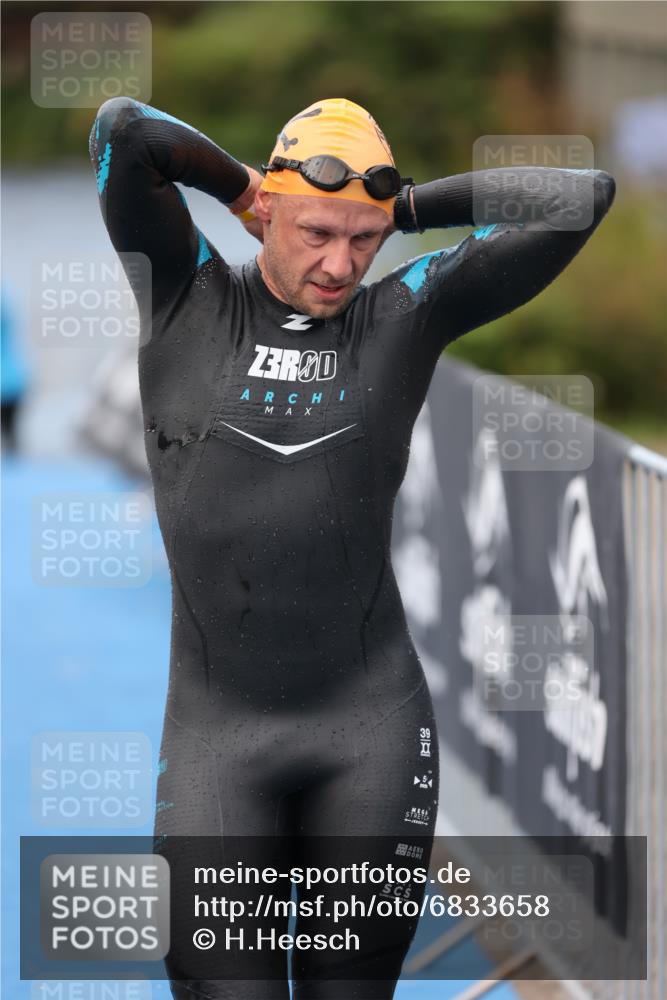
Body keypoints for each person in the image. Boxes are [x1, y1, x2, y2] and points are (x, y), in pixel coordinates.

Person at [89, 96, 616, 999]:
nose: (339, 264)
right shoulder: (182, 295)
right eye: (316, 231)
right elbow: (122, 131)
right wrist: (239, 183)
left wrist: (405, 210)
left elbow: (581, 193)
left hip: (368, 734)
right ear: (269, 216)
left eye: (364, 240)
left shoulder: (402, 319)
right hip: (221, 740)